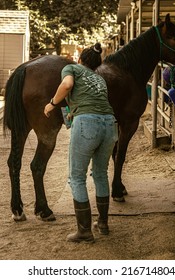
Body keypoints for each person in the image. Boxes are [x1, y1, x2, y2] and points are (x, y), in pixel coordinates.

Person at [44, 43, 118, 243]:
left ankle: (84, 231)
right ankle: (102, 223)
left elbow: (67, 85)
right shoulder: (99, 78)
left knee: (76, 177)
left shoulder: (71, 68)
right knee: (101, 174)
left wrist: (52, 104)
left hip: (88, 123)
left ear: (80, 60)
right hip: (110, 124)